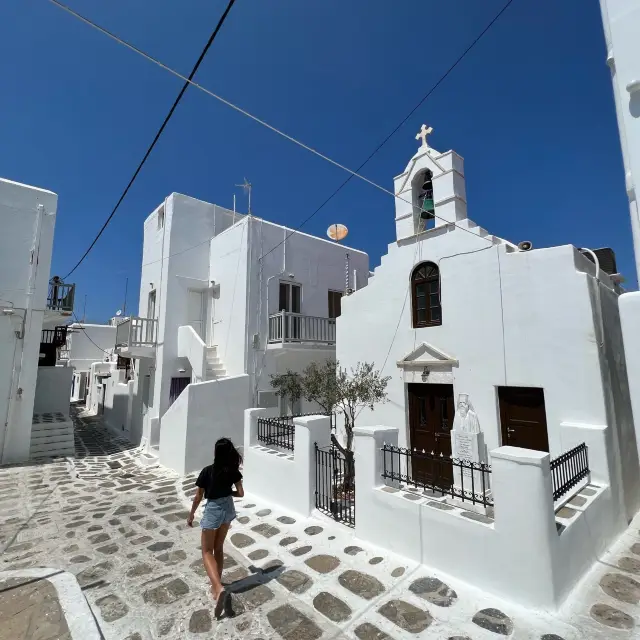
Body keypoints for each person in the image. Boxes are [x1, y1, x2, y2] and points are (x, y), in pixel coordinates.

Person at [187, 438, 244, 618]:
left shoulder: (207, 471)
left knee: (206, 551)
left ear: (215, 452)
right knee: (218, 548)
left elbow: (198, 497)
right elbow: (241, 493)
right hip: (228, 508)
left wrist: (191, 515)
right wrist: (228, 492)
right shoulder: (233, 471)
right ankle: (215, 586)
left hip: (213, 510)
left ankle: (218, 588)